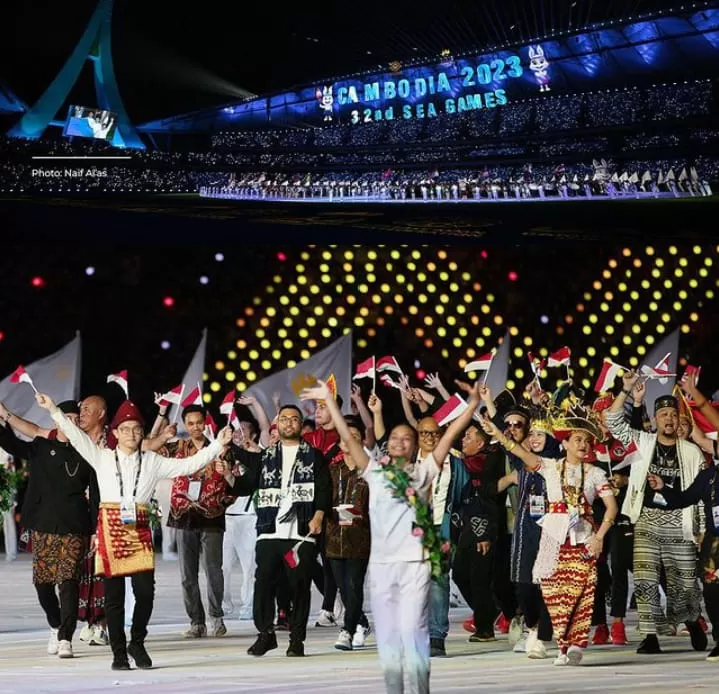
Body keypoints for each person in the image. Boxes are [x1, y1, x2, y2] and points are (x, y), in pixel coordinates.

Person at [301, 379, 484, 694]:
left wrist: (472, 405)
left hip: (416, 563)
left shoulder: (425, 469)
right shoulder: (374, 471)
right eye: (395, 438)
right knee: (388, 638)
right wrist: (329, 401)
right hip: (383, 565)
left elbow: (450, 433)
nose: (400, 442)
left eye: (406, 438)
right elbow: (346, 435)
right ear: (388, 445)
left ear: (414, 446)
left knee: (415, 629)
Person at [35, 392, 231, 671]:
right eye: (125, 429)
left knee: (145, 593)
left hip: (138, 527)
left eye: (137, 429)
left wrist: (217, 445)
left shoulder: (152, 460)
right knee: (114, 597)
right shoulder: (101, 456)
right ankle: (118, 653)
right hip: (110, 526)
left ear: (142, 432)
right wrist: (53, 409)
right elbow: (74, 435)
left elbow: (189, 465)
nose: (131, 433)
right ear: (115, 432)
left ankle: (136, 641)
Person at [481, 414, 617, 666]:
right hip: (554, 539)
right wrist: (498, 434)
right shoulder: (550, 468)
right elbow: (520, 453)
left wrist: (599, 537)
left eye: (586, 441)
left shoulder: (596, 473)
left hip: (584, 539)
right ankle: (561, 646)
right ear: (564, 443)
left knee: (582, 593)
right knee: (553, 594)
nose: (582, 445)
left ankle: (576, 642)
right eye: (577, 439)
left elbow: (611, 507)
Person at [605, 372, 707, 654]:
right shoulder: (643, 442)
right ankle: (650, 635)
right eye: (663, 414)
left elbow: (699, 495)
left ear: (678, 419)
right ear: (657, 419)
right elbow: (612, 422)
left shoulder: (691, 452)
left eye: (672, 415)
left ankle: (693, 621)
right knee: (645, 577)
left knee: (684, 579)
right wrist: (626, 391)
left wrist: (700, 529)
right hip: (647, 517)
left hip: (680, 519)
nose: (668, 419)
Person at [221, 403, 330, 658]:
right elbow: (246, 485)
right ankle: (265, 634)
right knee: (263, 584)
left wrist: (319, 515)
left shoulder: (313, 456)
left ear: (301, 425)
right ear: (277, 425)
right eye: (284, 419)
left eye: (294, 419)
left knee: (299, 586)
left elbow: (324, 488)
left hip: (300, 532)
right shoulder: (266, 456)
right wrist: (228, 475)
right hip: (270, 531)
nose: (288, 423)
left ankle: (296, 640)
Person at [0, 400, 99, 658]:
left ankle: (66, 637)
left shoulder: (88, 452)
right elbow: (12, 444)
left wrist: (95, 529)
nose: (72, 423)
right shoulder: (42, 446)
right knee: (43, 584)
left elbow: (97, 494)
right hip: (44, 525)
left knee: (68, 581)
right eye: (66, 417)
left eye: (77, 419)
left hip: (75, 525)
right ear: (57, 420)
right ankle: (56, 625)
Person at [164, 404, 235, 639]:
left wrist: (220, 503)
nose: (195, 427)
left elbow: (235, 483)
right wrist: (161, 415)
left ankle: (216, 617)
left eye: (199, 422)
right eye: (191, 423)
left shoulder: (221, 449)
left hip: (212, 517)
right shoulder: (176, 447)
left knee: (214, 570)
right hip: (183, 516)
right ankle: (196, 621)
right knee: (187, 574)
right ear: (185, 424)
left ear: (206, 423)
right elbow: (149, 447)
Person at [648, 461, 719, 661]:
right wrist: (663, 488)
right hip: (715, 543)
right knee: (712, 592)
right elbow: (684, 499)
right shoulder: (709, 475)